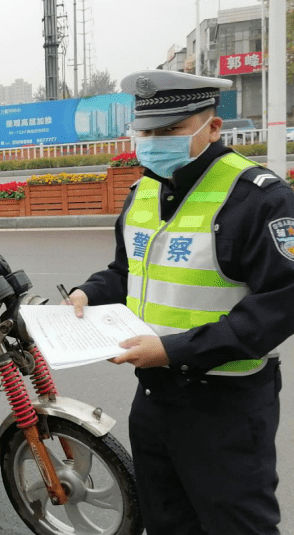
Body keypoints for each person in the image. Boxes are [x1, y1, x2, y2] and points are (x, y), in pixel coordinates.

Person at [66, 70, 293, 535]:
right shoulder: (143, 190)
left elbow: (280, 304)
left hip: (226, 407)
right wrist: (89, 291)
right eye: (144, 132)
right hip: (152, 397)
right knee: (165, 519)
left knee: (236, 524)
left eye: (169, 131)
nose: (152, 142)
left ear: (212, 127)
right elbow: (126, 270)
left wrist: (173, 351)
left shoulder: (259, 199)